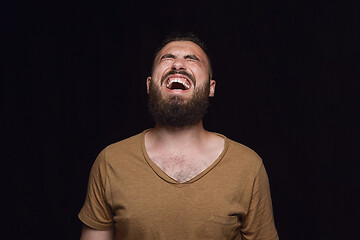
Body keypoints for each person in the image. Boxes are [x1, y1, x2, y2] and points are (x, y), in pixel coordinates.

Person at [78, 33, 279, 240]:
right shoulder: (111, 162)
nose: (178, 65)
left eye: (191, 59)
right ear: (149, 85)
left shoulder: (247, 167)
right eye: (167, 58)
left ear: (211, 87)